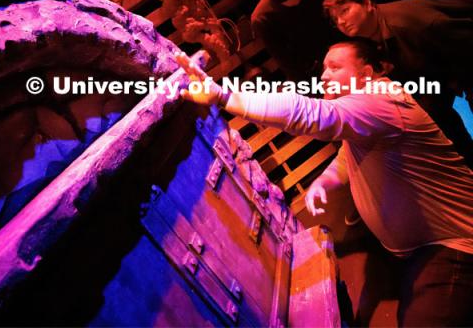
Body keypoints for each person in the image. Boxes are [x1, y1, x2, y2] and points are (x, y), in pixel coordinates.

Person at [175, 40, 473, 327]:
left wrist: (225, 97)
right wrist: (323, 183)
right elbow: (348, 156)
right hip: (414, 249)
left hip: (452, 244)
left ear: (366, 74)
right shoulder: (366, 112)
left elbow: (312, 114)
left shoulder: (383, 99)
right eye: (324, 68)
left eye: (335, 67)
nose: (324, 75)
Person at [323, 0, 473, 167]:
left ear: (368, 4)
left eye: (344, 11)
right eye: (335, 19)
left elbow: (463, 42)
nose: (341, 22)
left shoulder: (408, 24)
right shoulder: (371, 38)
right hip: (437, 89)